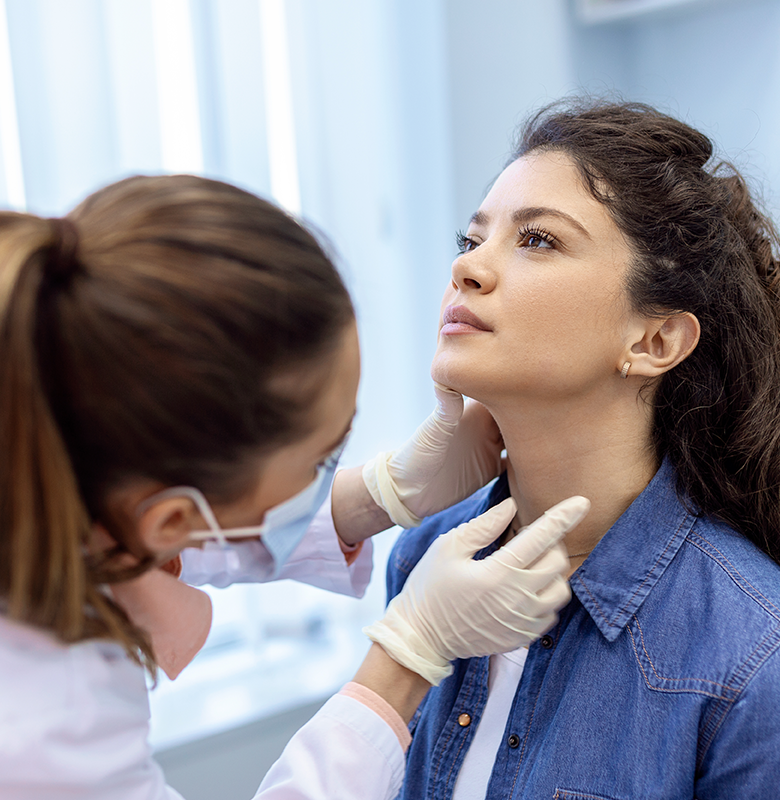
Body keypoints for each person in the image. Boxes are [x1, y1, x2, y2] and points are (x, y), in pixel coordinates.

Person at [0, 174, 590, 800]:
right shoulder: (40, 728)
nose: (467, 263)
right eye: (320, 462)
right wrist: (411, 651)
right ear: (170, 521)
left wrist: (377, 496)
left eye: (537, 238)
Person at [385, 99, 780, 799]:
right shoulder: (425, 555)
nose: (469, 270)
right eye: (469, 240)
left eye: (537, 239)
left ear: (654, 340)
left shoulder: (753, 652)